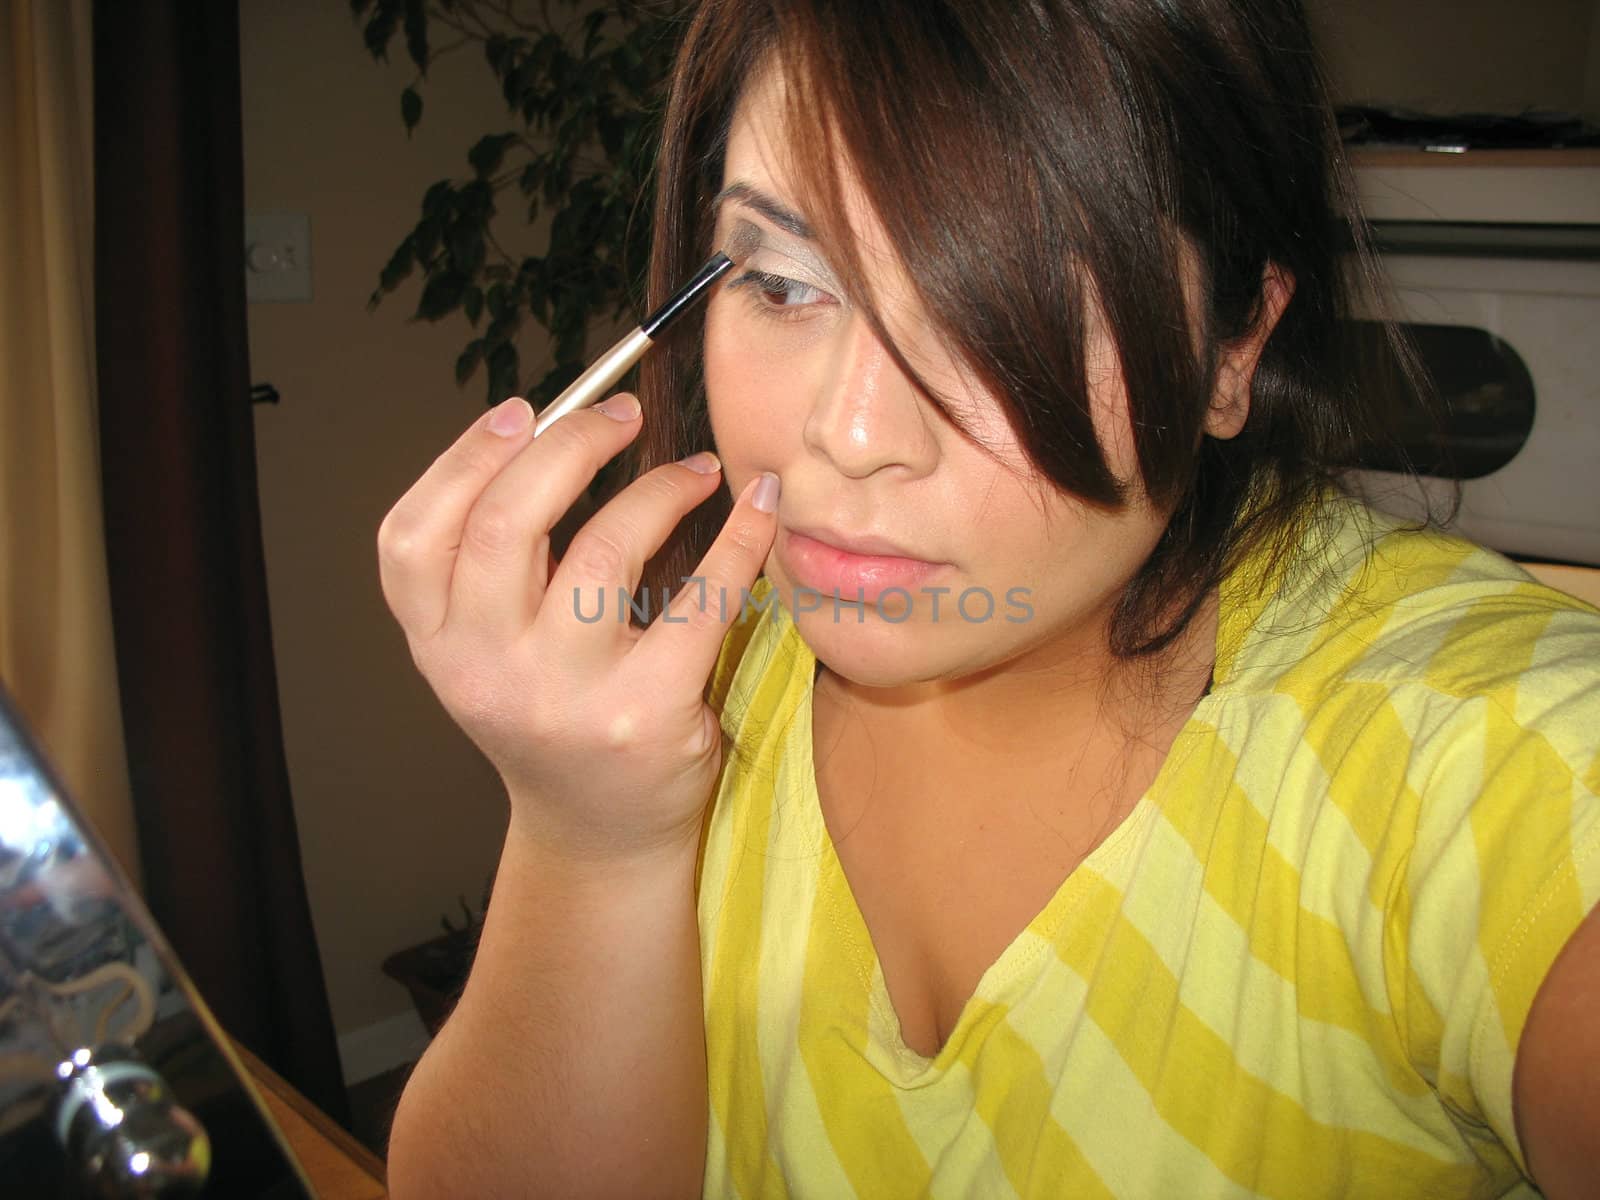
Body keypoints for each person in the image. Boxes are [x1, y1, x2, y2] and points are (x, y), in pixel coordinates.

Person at [376, 1, 1600, 1196]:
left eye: (1013, 297)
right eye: (786, 282)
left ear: (1233, 350)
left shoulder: (1488, 756)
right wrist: (587, 836)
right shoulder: (696, 665)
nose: (849, 435)